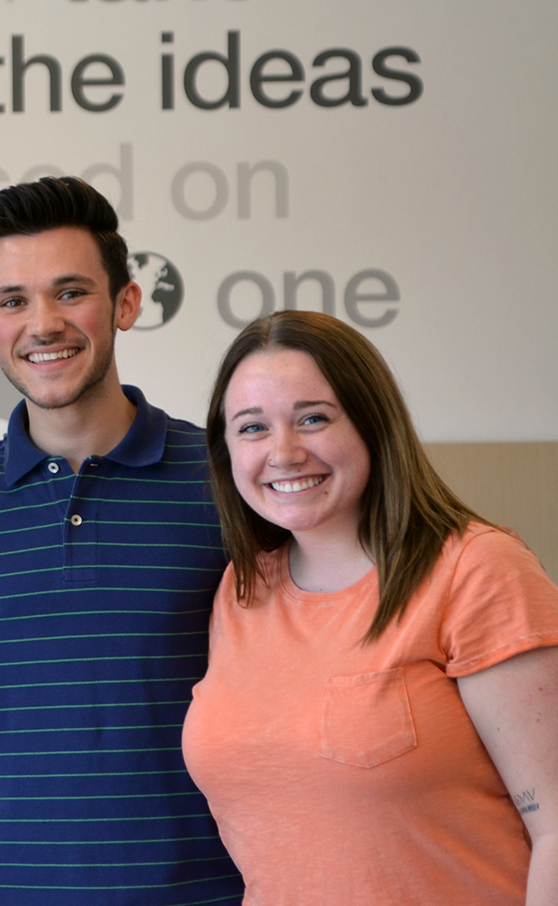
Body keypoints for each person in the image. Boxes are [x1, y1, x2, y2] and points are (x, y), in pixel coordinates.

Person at [0, 177, 244, 905]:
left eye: (71, 291)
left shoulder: (223, 479)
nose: (43, 322)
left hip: (201, 890)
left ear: (127, 303)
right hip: (6, 890)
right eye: (13, 301)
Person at [183, 310, 558, 905]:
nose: (283, 452)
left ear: (372, 423)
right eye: (252, 428)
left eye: (313, 418)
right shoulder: (241, 589)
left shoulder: (477, 570)